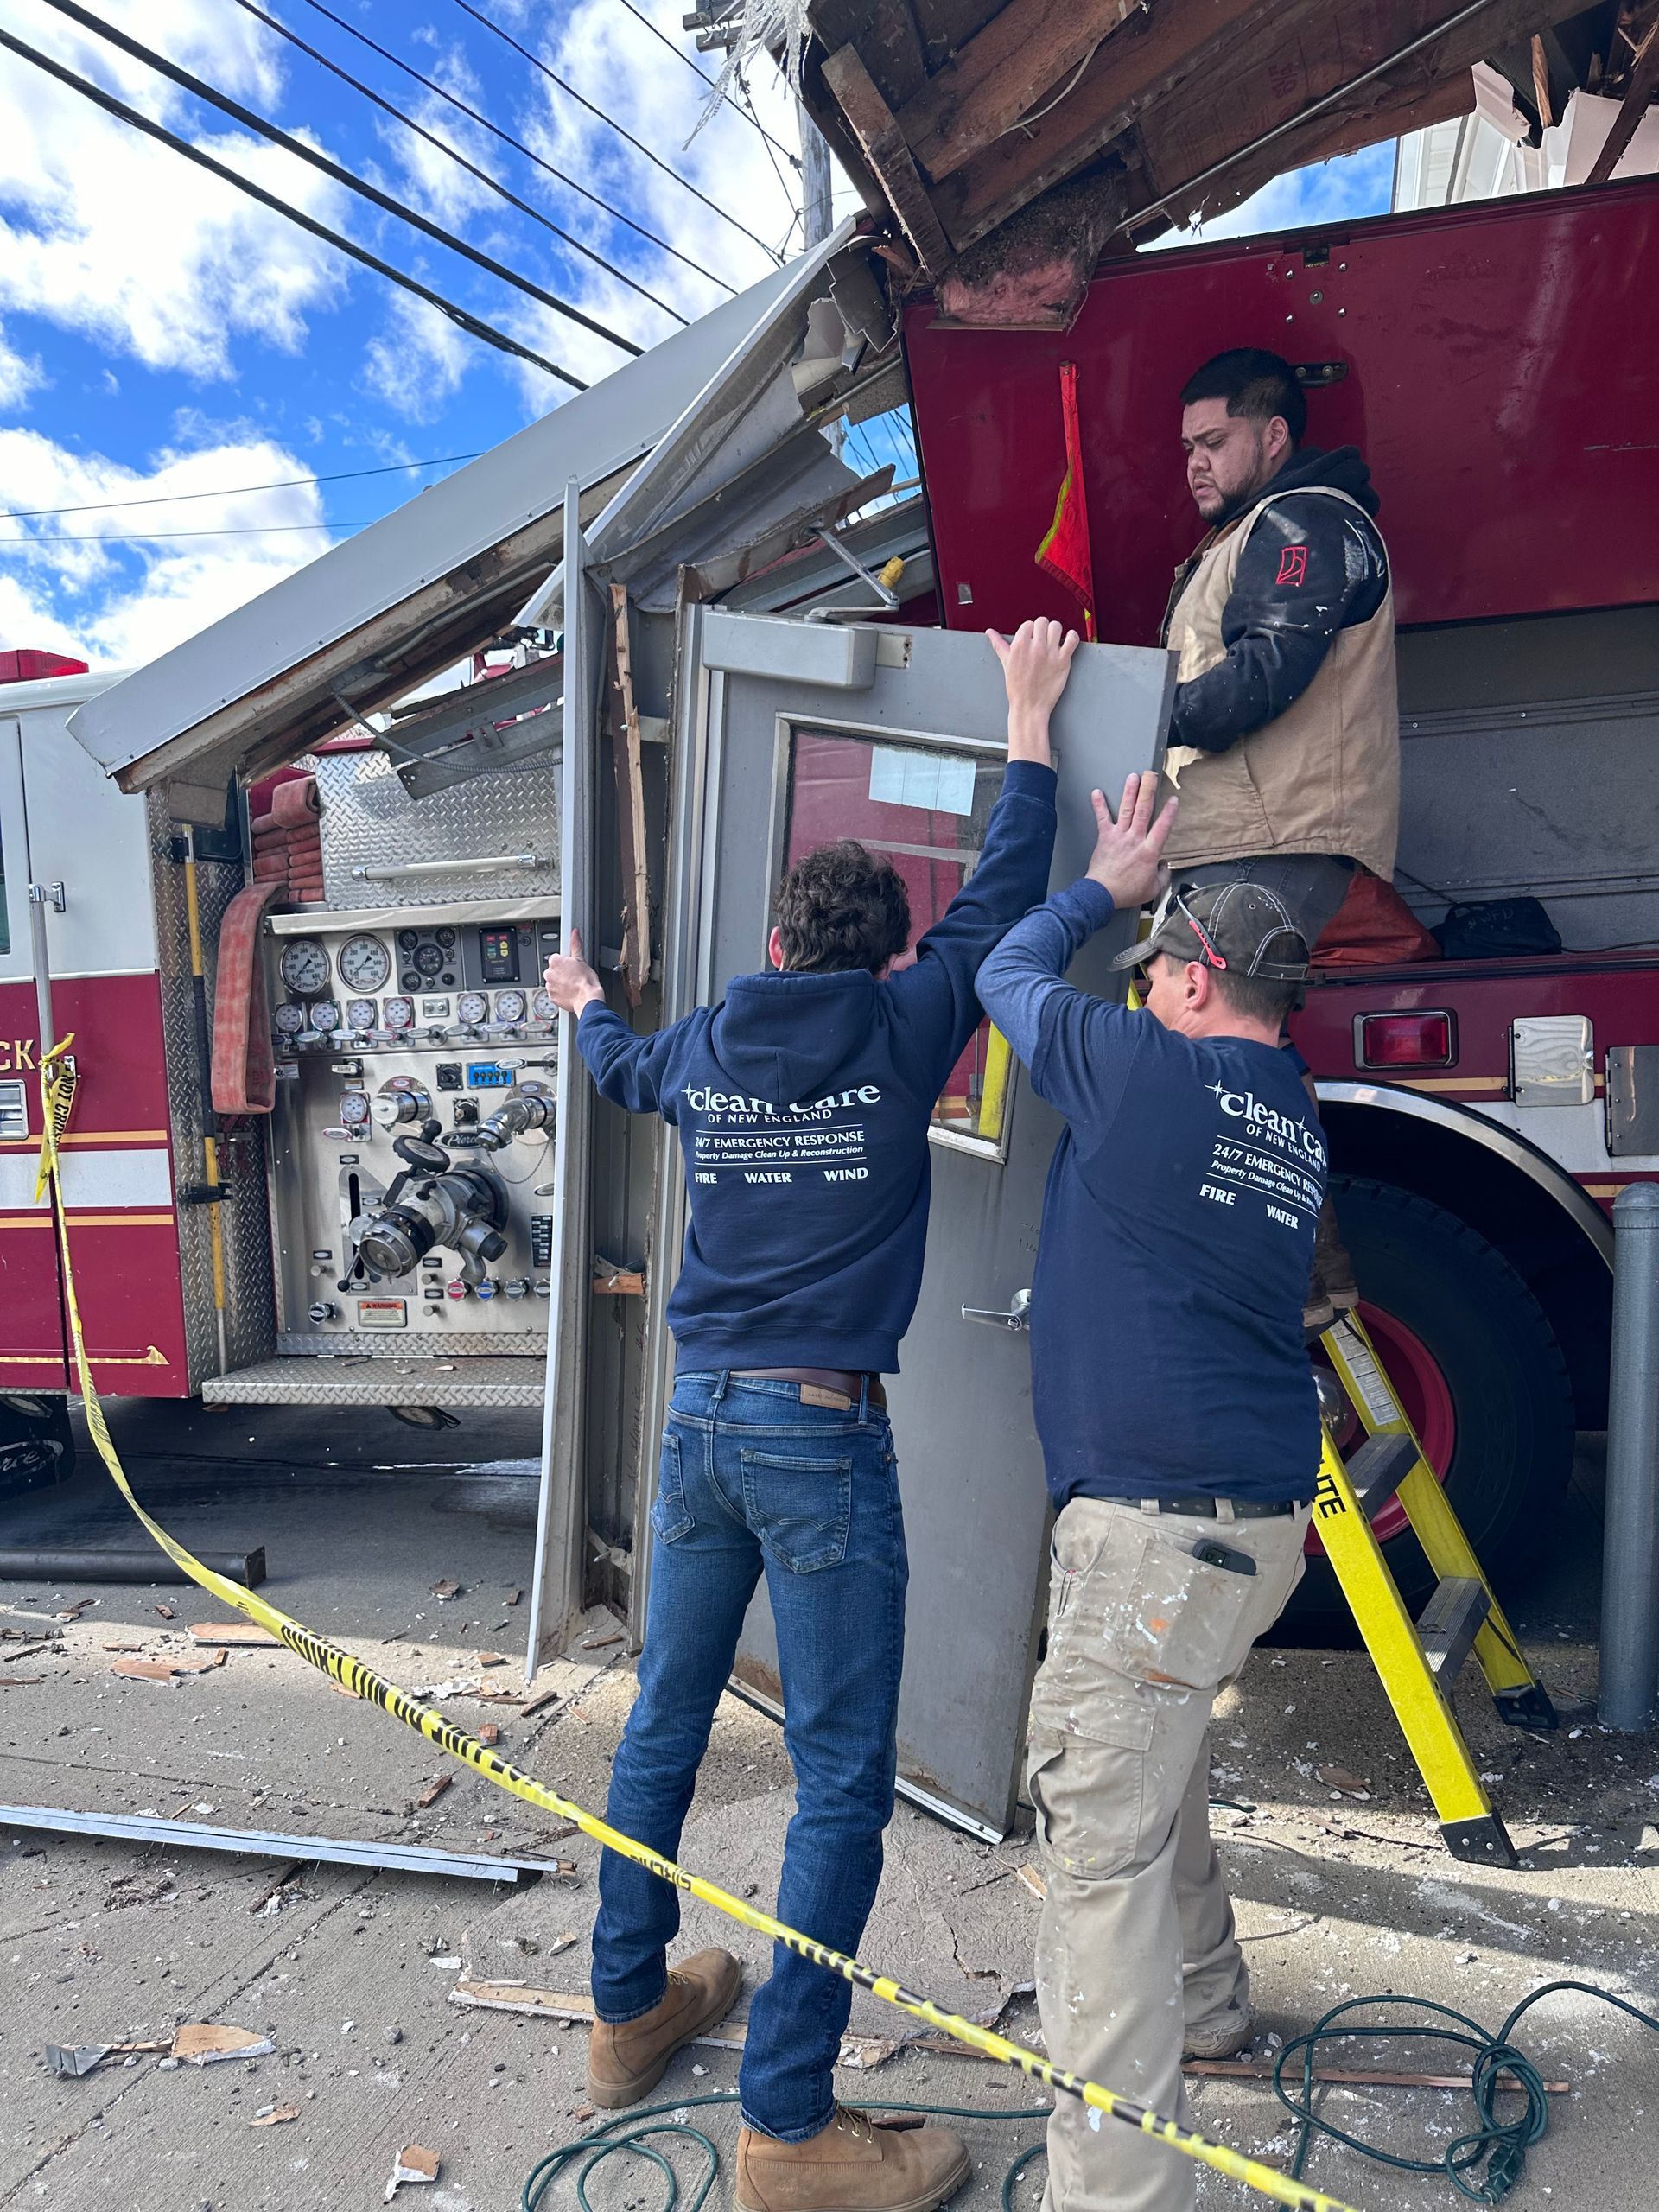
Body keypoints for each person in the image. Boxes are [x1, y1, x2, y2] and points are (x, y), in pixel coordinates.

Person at [539, 620, 1075, 2212]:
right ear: (885, 960)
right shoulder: (907, 1026)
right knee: (840, 1775)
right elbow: (1004, 892)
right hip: (817, 1436)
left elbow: (621, 1067)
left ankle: (625, 2010)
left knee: (664, 1719)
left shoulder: (709, 1042)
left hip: (696, 1427)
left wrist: (582, 997)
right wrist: (1028, 726)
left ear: (777, 943)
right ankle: (786, 2125)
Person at [976, 799, 1325, 2212]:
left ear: (1187, 982)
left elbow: (1004, 972)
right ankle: (1214, 2003)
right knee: (1153, 1753)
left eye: (1152, 970)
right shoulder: (1291, 1113)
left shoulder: (1141, 1069)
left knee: (1100, 1857)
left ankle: (1116, 2194)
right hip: (1255, 1526)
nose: (1139, 992)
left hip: (1154, 1531)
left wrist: (1100, 886)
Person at [1160, 346, 1397, 1324]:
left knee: (1197, 1039)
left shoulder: (1302, 520)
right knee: (1239, 1050)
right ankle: (1313, 1289)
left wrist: (1144, 715)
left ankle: (1282, 1298)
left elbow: (1265, 674)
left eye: (1214, 441)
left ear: (1273, 436)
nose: (1195, 462)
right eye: (1187, 447)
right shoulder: (1252, 532)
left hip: (1274, 833)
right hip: (1243, 835)